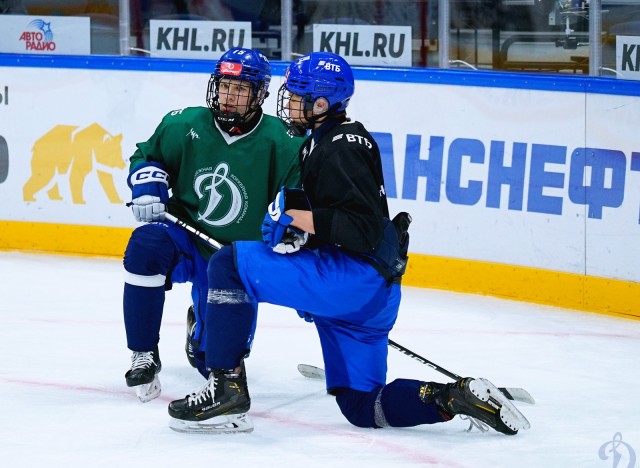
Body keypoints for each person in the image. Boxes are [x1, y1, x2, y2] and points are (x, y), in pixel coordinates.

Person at [166, 52, 530, 436]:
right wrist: (303, 240)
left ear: (321, 103)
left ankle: (226, 388)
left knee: (228, 264)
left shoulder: (340, 146)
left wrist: (296, 220)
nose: (288, 101)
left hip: (350, 278)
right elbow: (346, 218)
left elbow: (363, 228)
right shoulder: (329, 140)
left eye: (297, 95)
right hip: (373, 293)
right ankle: (453, 398)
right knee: (362, 406)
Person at [123, 47, 303, 402]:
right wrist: (146, 184)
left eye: (240, 90)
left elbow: (296, 200)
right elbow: (146, 156)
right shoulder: (184, 124)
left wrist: (296, 243)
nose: (228, 97)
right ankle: (143, 352)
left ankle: (199, 333)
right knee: (146, 244)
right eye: (224, 87)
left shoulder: (284, 141)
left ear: (260, 95)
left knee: (214, 364)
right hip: (183, 236)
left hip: (235, 259)